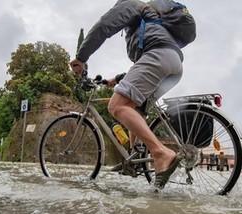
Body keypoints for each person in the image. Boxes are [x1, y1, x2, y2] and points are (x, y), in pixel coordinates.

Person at [70, 0, 194, 189]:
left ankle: (161, 152)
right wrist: (118, 78)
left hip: (159, 56)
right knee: (135, 109)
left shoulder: (131, 4)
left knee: (117, 106)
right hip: (174, 63)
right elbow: (144, 64)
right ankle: (134, 159)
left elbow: (104, 26)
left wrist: (81, 57)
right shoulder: (150, 19)